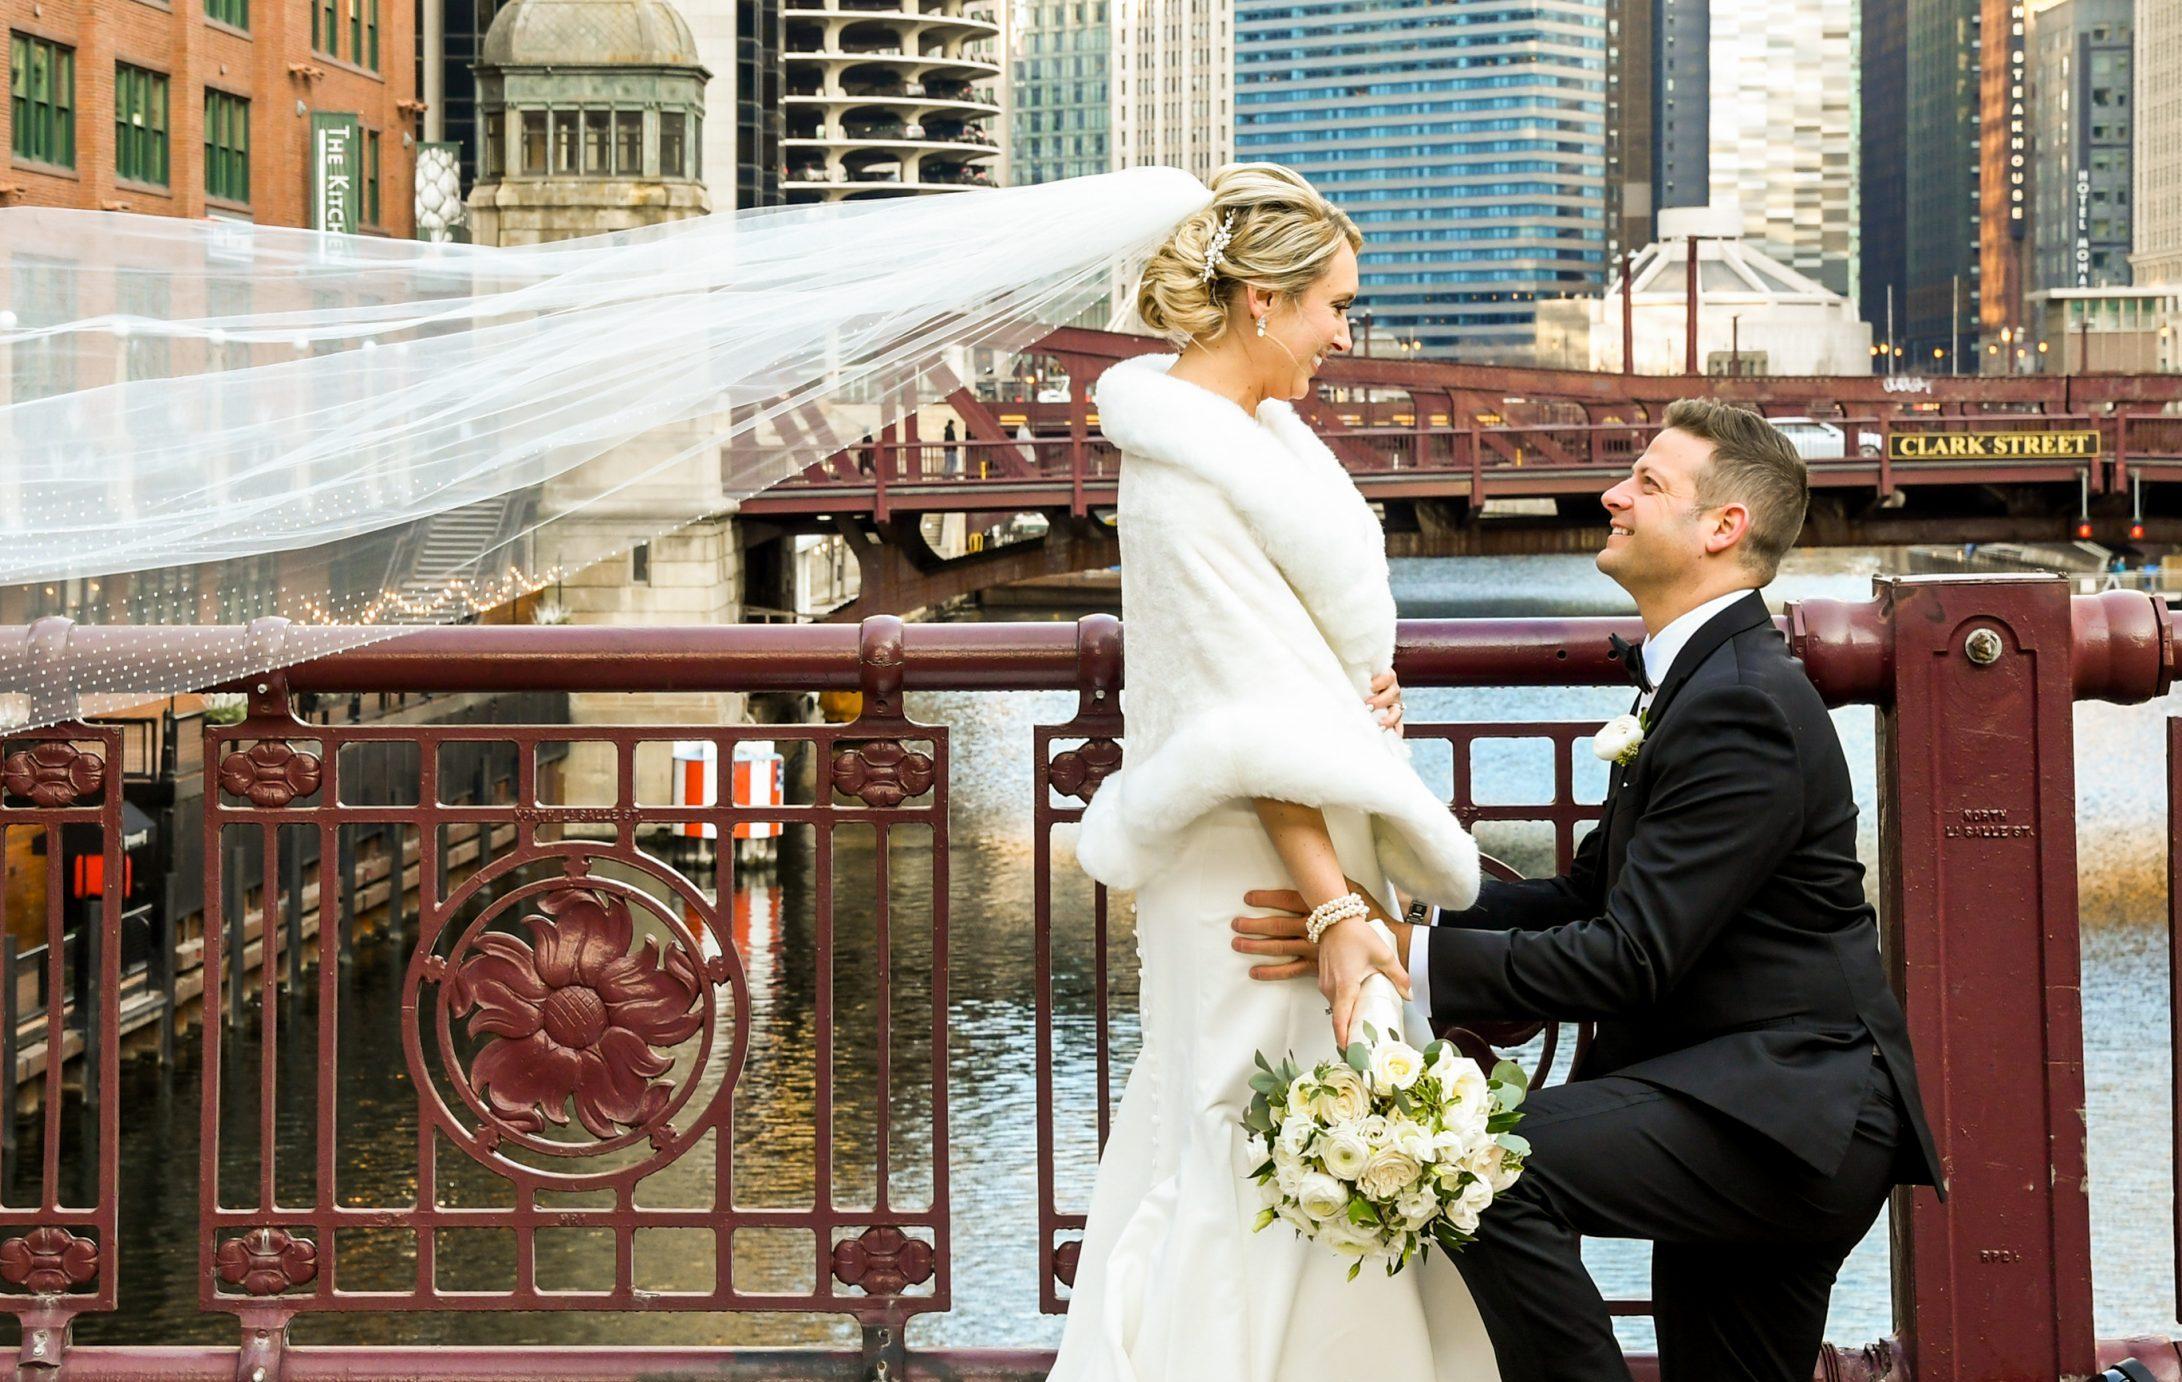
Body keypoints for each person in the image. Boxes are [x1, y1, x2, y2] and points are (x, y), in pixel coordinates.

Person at [1232, 401, 1943, 1382]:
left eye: (1648, 482)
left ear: (1721, 527)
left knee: (1480, 1159)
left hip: (1786, 1112)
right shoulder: (1699, 682)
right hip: (1763, 1104)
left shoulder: (1739, 700)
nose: (1613, 493)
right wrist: (1388, 914)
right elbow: (1584, 897)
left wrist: (1398, 955)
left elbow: (1628, 957)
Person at [1051, 163, 1494, 1382]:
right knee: (1244, 1134)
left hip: (1298, 841)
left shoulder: (1252, 438)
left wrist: (1362, 686)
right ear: (1260, 300)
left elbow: (1286, 657)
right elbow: (1245, 711)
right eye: (1334, 306)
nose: (1343, 338)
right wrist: (1335, 905)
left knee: (1286, 1134)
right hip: (1261, 859)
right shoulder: (1183, 472)